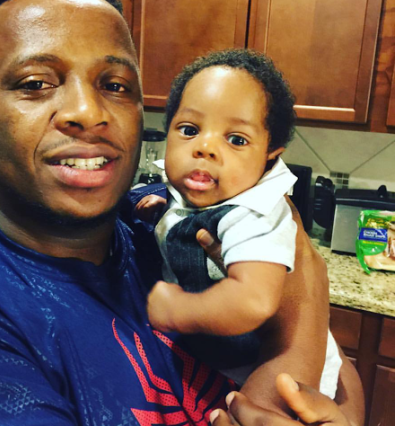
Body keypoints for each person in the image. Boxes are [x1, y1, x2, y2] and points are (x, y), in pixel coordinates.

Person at [0, 0, 364, 425]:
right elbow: (301, 312)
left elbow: (342, 375)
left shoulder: (168, 223)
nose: (88, 112)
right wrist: (306, 296)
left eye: (115, 85)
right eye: (36, 83)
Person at [134, 50, 340, 399]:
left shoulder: (254, 214)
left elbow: (254, 300)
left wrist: (179, 310)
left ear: (269, 156)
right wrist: (167, 213)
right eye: (189, 130)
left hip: (268, 378)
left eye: (237, 140)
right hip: (216, 367)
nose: (205, 148)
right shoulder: (205, 193)